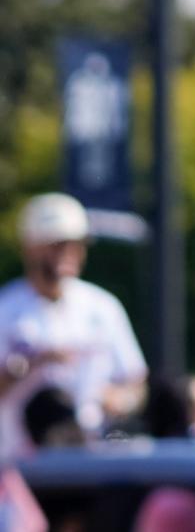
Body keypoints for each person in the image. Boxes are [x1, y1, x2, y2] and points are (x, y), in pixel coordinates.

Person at [0, 194, 146, 462]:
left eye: (76, 245)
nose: (69, 253)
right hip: (16, 466)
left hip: (94, 462)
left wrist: (120, 400)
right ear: (31, 247)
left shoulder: (103, 307)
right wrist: (29, 365)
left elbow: (136, 381)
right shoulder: (6, 309)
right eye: (57, 244)